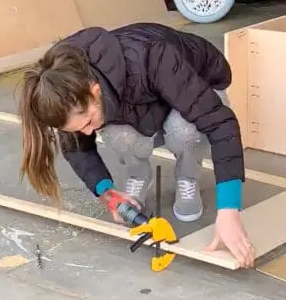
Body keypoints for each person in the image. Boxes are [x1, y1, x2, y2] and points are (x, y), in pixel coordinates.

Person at [18, 22, 255, 268]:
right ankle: (139, 174)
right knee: (116, 133)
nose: (88, 132)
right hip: (141, 98)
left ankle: (188, 177)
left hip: (196, 82)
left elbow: (221, 124)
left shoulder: (153, 58)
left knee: (184, 131)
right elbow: (77, 145)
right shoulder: (65, 84)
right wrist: (107, 194)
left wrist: (229, 210)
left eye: (88, 121)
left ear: (95, 90)